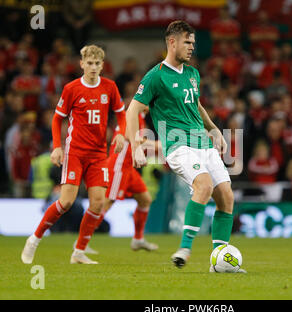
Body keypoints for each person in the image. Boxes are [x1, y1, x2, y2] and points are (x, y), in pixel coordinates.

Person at [126, 20, 245, 273]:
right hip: (177, 145)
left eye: (193, 42)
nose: (191, 47)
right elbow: (132, 109)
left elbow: (197, 106)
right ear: (172, 42)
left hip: (202, 141)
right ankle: (185, 248)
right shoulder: (156, 76)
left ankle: (218, 262)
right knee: (203, 185)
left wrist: (213, 128)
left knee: (226, 197)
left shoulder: (192, 73)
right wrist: (136, 145)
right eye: (187, 42)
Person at [21, 45, 126, 264]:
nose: (94, 68)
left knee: (97, 203)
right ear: (82, 64)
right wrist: (58, 147)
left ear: (102, 65)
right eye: (90, 63)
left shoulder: (110, 87)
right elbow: (57, 118)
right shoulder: (71, 89)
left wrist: (120, 134)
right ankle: (34, 239)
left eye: (98, 64)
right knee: (66, 202)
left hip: (98, 154)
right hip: (75, 153)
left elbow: (121, 115)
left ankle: (79, 251)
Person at [81, 111, 159, 252]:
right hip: (119, 166)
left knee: (145, 199)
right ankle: (81, 243)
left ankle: (138, 239)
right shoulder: (132, 115)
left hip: (129, 167)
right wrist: (156, 144)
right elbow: (130, 137)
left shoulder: (140, 118)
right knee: (106, 203)